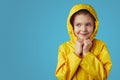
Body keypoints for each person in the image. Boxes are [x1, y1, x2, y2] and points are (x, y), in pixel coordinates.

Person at [55, 4, 112, 80]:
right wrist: (76, 54)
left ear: (94, 26)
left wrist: (86, 54)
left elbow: (102, 76)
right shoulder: (64, 48)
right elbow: (62, 77)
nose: (83, 29)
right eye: (78, 25)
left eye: (88, 24)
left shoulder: (101, 46)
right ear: (72, 27)